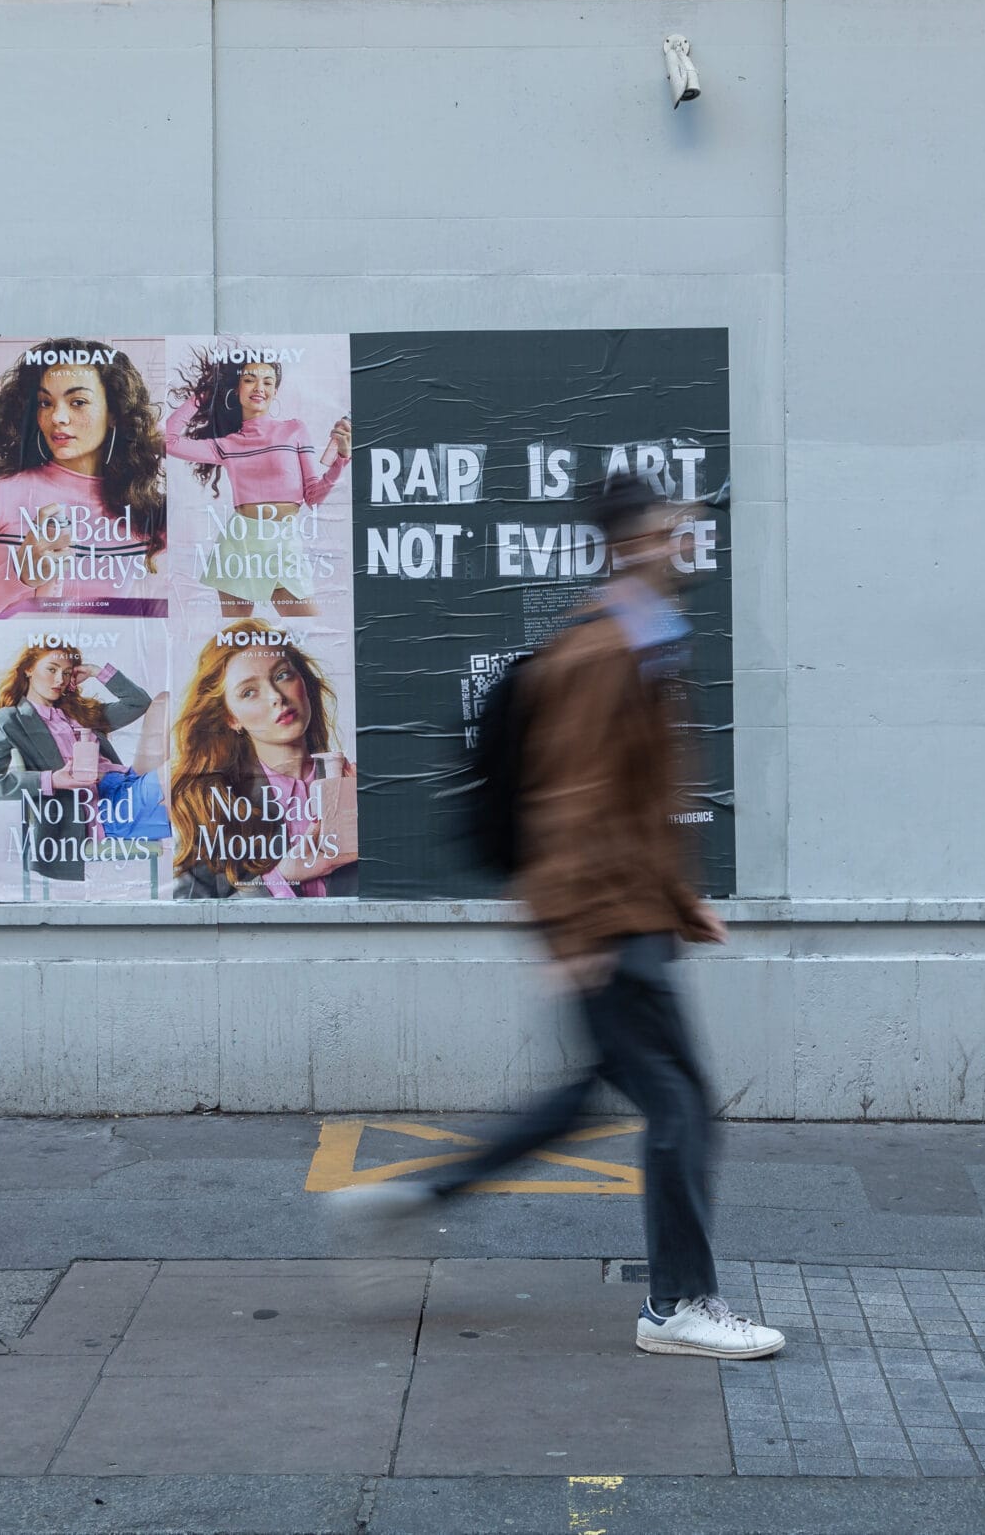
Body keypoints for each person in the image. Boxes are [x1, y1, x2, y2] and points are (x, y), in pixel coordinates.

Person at [332, 471, 782, 1362]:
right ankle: (678, 1303)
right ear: (629, 546)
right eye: (664, 534)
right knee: (680, 1104)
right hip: (606, 924)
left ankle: (422, 1193)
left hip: (632, 914)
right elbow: (570, 802)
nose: (681, 546)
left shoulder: (648, 639)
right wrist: (574, 936)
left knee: (590, 1099)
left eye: (680, 532)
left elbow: (638, 793)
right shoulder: (598, 655)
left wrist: (679, 899)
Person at [167, 620, 358, 899]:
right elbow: (192, 929)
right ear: (231, 718)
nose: (276, 697)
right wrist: (280, 878)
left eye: (282, 675)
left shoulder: (357, 785)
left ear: (302, 681)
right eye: (249, 692)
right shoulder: (205, 803)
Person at [0, 339, 167, 617]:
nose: (57, 417)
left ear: (114, 412)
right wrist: (17, 576)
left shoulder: (145, 509)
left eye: (78, 402)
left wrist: (163, 442)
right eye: (45, 403)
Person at [163, 347, 350, 617]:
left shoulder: (294, 430)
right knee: (236, 636)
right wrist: (202, 397)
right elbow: (168, 441)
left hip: (283, 543)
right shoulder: (227, 445)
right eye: (250, 379)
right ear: (236, 389)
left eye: (268, 381)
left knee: (307, 627)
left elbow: (313, 496)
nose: (259, 387)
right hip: (239, 543)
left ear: (275, 391)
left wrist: (341, 460)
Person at [0, 641, 156, 887]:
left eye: (66, 673)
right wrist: (50, 780)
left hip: (122, 795)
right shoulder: (7, 721)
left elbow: (138, 702)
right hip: (88, 815)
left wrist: (96, 671)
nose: (59, 680)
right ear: (29, 669)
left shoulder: (82, 713)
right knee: (174, 779)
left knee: (175, 767)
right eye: (51, 669)